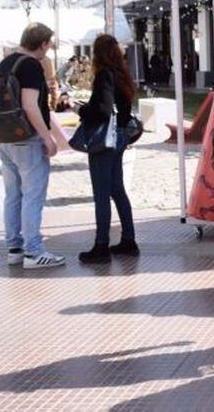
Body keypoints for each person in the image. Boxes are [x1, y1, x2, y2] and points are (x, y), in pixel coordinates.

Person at [0, 23, 65, 269]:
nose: (49, 49)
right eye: (49, 44)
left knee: (13, 195)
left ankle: (14, 248)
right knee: (33, 195)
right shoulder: (31, 65)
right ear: (43, 43)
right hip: (27, 137)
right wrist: (47, 136)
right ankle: (33, 252)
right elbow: (30, 104)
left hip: (5, 135)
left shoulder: (6, 62)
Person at [75, 35, 139, 263]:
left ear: (98, 54)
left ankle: (101, 245)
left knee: (102, 193)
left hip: (105, 142)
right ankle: (129, 240)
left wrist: (81, 110)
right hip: (120, 137)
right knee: (117, 189)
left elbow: (102, 111)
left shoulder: (104, 76)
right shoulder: (122, 75)